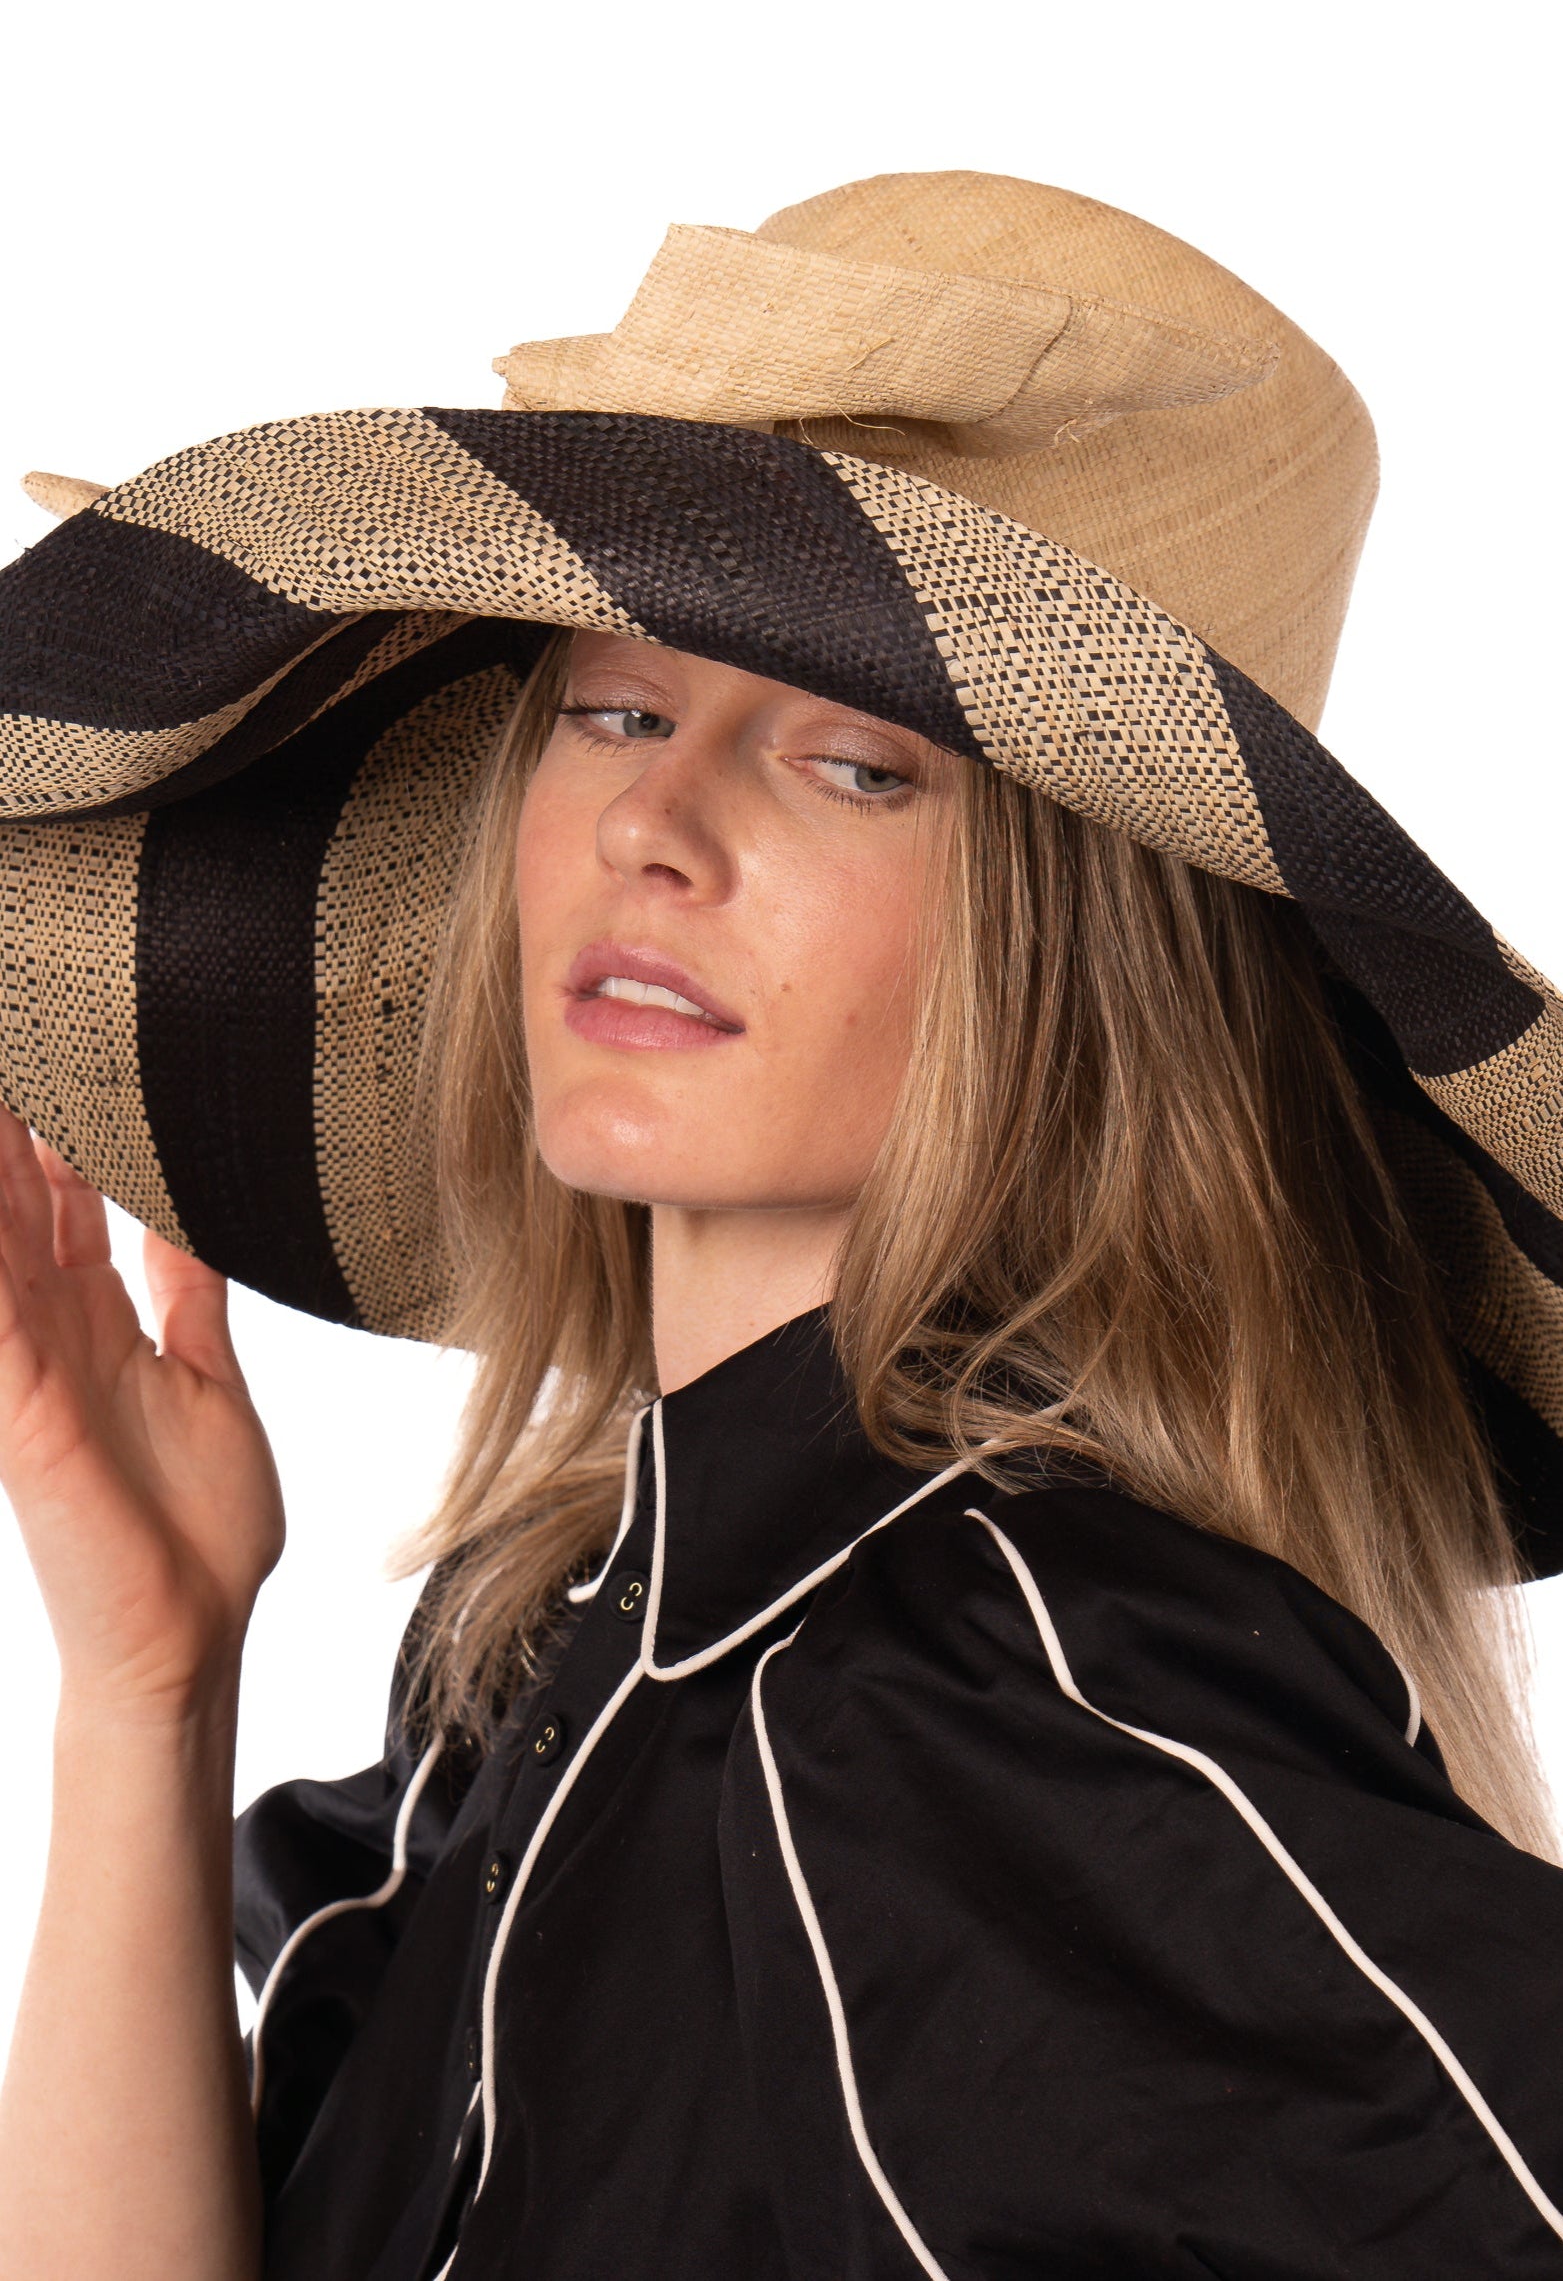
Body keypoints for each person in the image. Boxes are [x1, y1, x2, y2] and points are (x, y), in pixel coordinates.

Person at [0, 171, 1560, 2280]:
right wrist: (147, 1684)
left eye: (853, 765)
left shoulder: (997, 1677)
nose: (655, 823)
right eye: (620, 711)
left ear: (1068, 949)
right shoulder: (561, 1648)